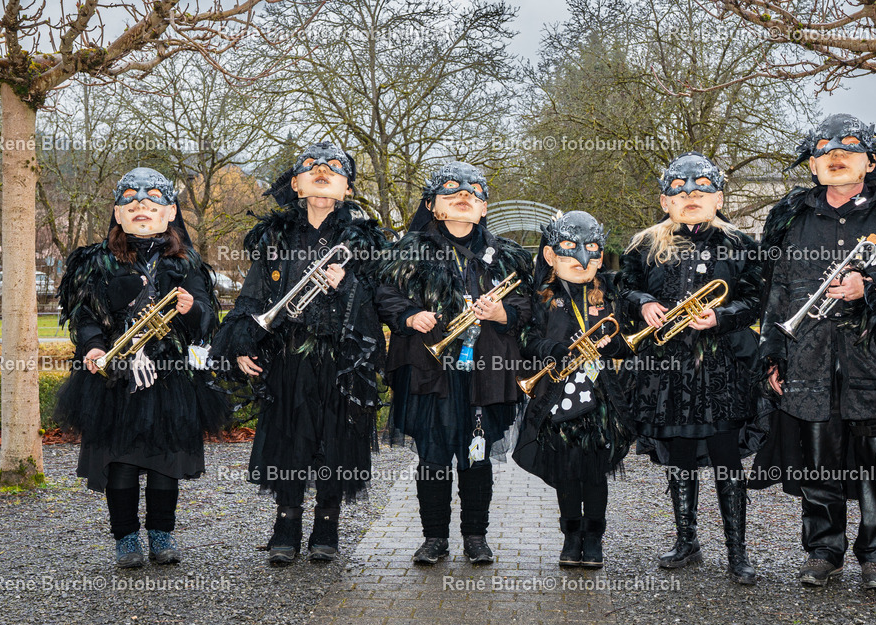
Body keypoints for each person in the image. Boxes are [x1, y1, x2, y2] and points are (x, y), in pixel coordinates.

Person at [755, 113, 876, 590]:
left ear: (870, 161)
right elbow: (778, 291)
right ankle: (823, 551)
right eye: (824, 149)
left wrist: (871, 285)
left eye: (848, 148)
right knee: (818, 461)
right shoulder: (793, 219)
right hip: (810, 357)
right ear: (812, 165)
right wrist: (774, 355)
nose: (835, 155)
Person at [210, 141, 387, 564]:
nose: (322, 172)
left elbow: (380, 301)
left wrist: (347, 285)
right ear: (295, 184)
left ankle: (327, 527)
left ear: (348, 187)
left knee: (335, 442)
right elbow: (253, 297)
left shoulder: (365, 240)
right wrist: (242, 343)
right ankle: (285, 526)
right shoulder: (277, 236)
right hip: (289, 357)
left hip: (342, 361)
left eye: (334, 169)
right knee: (290, 442)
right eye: (311, 167)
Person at [55, 167, 227, 568]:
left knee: (166, 460)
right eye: (130, 202)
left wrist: (192, 308)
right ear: (117, 213)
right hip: (114, 376)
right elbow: (84, 315)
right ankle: (126, 539)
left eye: (152, 202)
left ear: (170, 213)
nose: (141, 207)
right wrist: (93, 348)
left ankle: (162, 534)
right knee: (121, 460)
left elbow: (207, 321)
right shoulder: (95, 260)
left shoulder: (187, 262)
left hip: (170, 376)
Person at [376, 161, 533, 565]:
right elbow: (385, 295)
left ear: (484, 208)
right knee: (432, 456)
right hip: (429, 369)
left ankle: (475, 538)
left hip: (486, 370)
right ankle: (434, 538)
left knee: (477, 456)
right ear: (431, 205)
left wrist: (502, 312)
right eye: (451, 191)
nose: (464, 196)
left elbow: (527, 305)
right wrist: (410, 315)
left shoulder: (507, 255)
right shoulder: (407, 250)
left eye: (473, 193)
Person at [618, 152, 763, 585]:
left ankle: (737, 552)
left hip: (722, 368)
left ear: (719, 198)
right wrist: (643, 303)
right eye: (680, 192)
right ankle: (687, 540)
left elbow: (757, 299)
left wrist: (722, 315)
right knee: (680, 456)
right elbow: (623, 289)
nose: (691, 197)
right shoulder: (644, 245)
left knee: (726, 458)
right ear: (665, 202)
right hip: (668, 370)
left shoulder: (741, 244)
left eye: (701, 190)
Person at [512, 211, 636, 568]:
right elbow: (526, 339)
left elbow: (631, 340)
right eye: (569, 248)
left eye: (592, 249)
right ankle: (571, 537)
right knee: (566, 471)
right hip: (557, 396)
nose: (582, 258)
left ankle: (594, 538)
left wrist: (613, 345)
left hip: (601, 398)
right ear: (550, 255)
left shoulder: (611, 292)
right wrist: (552, 349)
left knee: (595, 472)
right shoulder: (540, 295)